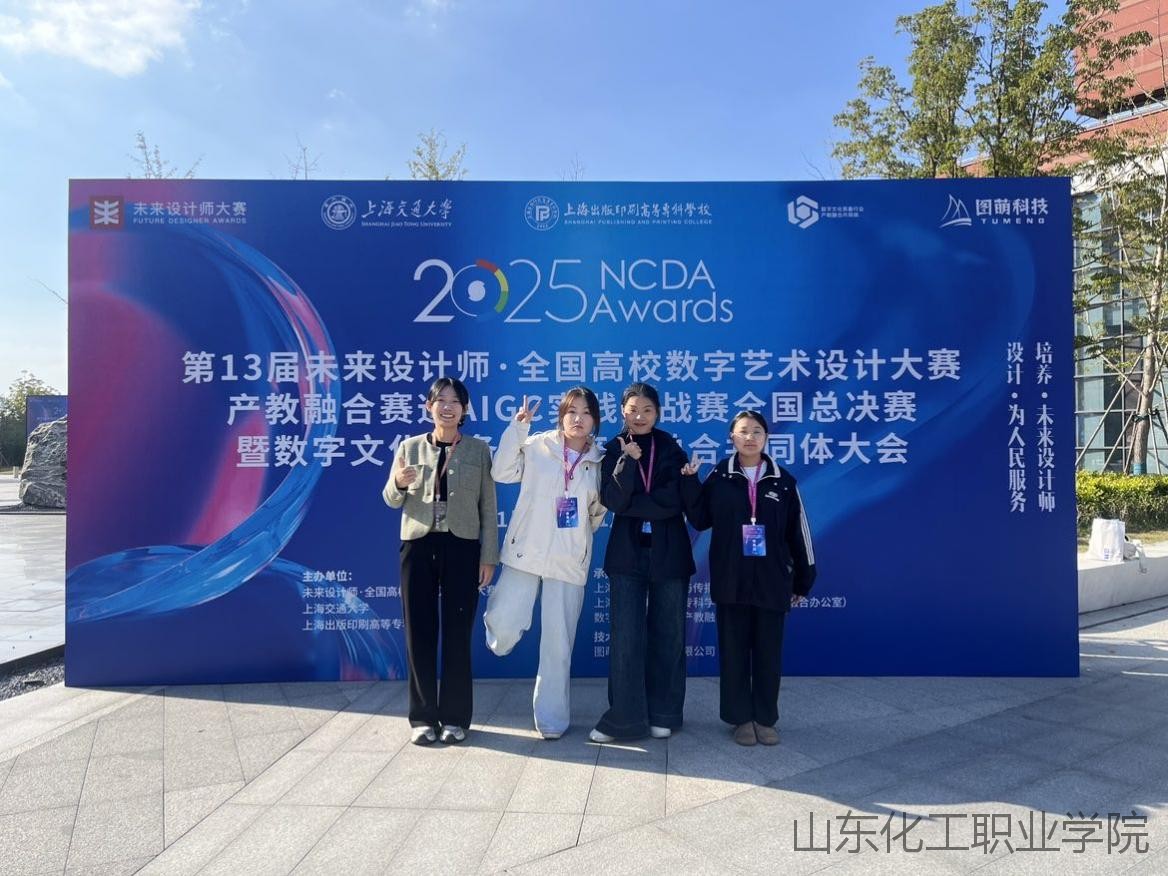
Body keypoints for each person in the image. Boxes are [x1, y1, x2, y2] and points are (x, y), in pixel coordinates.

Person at [681, 411, 816, 746]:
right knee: (734, 652)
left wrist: (803, 579)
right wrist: (690, 482)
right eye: (743, 431)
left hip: (772, 580)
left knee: (769, 653)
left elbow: (798, 532)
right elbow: (700, 519)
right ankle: (741, 718)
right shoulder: (720, 476)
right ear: (732, 437)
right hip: (731, 578)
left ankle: (765, 719)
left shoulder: (783, 481)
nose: (750, 437)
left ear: (766, 437)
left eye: (757, 431)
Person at [484, 387, 606, 739]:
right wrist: (518, 429)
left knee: (558, 644)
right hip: (527, 550)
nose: (578, 418)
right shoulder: (538, 445)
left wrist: (577, 540)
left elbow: (597, 511)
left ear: (595, 420)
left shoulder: (599, 461)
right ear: (561, 416)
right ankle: (499, 635)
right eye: (572, 411)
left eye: (586, 412)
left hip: (568, 561)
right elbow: (502, 472)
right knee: (504, 623)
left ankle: (552, 719)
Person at [383, 377, 498, 745]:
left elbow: (489, 507)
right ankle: (422, 718)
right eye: (441, 400)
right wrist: (399, 482)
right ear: (428, 406)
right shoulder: (409, 447)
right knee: (418, 632)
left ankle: (454, 718)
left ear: (464, 410)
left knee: (457, 632)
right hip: (418, 545)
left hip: (462, 546)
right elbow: (390, 499)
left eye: (455, 401)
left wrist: (488, 556)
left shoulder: (478, 450)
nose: (447, 407)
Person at [589, 382, 694, 743]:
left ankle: (665, 713)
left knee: (669, 634)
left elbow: (674, 500)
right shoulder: (612, 449)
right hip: (626, 555)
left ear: (658, 413)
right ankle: (624, 718)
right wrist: (628, 461)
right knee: (626, 638)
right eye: (633, 409)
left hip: (669, 552)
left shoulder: (670, 448)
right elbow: (614, 500)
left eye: (647, 410)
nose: (640, 416)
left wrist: (638, 503)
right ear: (622, 411)